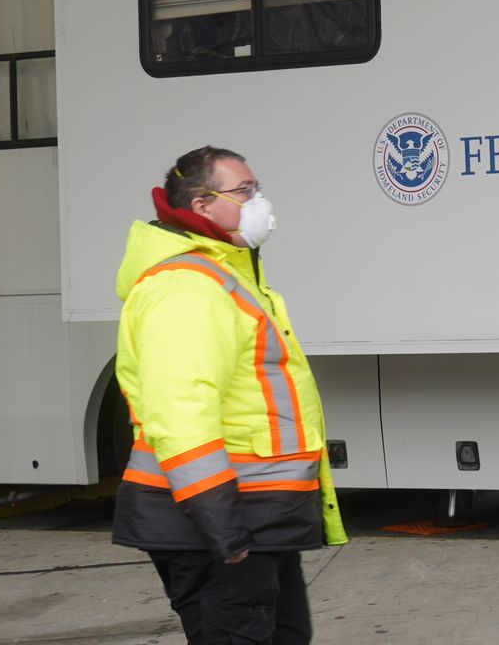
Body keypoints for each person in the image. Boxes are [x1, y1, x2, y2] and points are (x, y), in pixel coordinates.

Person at [112, 146, 346, 644]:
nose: (258, 201)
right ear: (200, 205)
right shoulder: (187, 289)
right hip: (221, 526)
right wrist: (224, 529)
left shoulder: (223, 275)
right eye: (244, 191)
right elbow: (182, 414)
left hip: (253, 519)